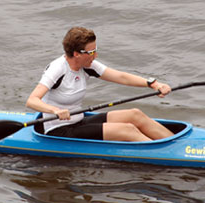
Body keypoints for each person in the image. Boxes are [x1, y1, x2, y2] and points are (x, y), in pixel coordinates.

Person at [26, 26, 174, 142]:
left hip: (79, 120)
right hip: (59, 129)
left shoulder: (87, 65)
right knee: (127, 130)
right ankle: (169, 155)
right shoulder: (57, 69)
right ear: (77, 53)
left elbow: (121, 77)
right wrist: (55, 111)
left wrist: (153, 84)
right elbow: (32, 100)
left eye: (95, 51)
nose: (95, 56)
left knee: (135, 114)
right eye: (91, 52)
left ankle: (176, 143)